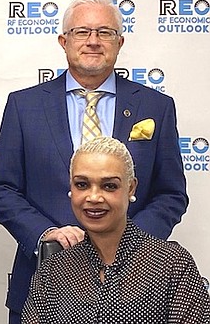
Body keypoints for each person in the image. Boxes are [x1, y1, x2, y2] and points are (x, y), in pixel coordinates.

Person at [0, 0, 188, 323]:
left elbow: (171, 194)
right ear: (64, 41)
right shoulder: (25, 106)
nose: (93, 41)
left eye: (104, 32)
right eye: (82, 32)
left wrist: (128, 244)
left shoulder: (155, 107)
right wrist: (45, 234)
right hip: (43, 281)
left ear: (119, 42)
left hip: (139, 286)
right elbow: (2, 189)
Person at [22, 137, 210, 323]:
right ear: (71, 187)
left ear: (131, 188)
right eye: (82, 184)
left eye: (109, 186)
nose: (94, 197)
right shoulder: (52, 271)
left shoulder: (172, 264)